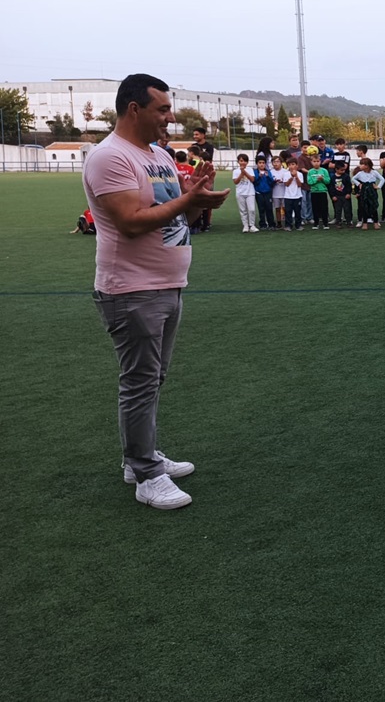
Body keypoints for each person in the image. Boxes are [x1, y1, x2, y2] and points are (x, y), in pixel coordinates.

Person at [83, 73, 229, 509]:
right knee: (140, 382)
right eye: (162, 109)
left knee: (152, 379)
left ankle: (140, 457)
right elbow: (131, 222)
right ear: (135, 109)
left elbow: (173, 211)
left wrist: (195, 196)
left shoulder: (159, 155)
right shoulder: (110, 157)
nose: (170, 117)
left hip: (166, 283)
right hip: (132, 289)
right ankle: (145, 474)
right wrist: (188, 201)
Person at [353, 157, 384, 229]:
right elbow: (353, 179)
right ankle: (365, 223)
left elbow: (382, 179)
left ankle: (375, 222)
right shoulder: (360, 173)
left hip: (372, 190)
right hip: (364, 190)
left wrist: (378, 186)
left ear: (367, 165)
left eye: (362, 164)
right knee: (364, 206)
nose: (360, 166)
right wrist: (359, 184)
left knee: (373, 206)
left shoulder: (374, 172)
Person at [231, 153, 258, 233]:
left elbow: (252, 179)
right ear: (238, 162)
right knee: (243, 210)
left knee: (252, 209)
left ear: (247, 162)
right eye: (241, 161)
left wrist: (244, 172)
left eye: (245, 161)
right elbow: (235, 182)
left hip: (250, 192)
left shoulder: (250, 170)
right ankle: (245, 225)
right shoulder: (235, 171)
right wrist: (241, 174)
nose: (243, 162)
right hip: (240, 193)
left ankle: (252, 225)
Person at [306, 155, 331, 228]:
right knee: (315, 208)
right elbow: (309, 182)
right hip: (314, 192)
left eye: (318, 161)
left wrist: (323, 179)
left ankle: (325, 223)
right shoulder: (310, 172)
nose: (316, 163)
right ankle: (316, 223)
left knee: (324, 208)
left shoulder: (324, 171)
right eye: (314, 161)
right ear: (311, 162)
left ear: (320, 162)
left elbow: (328, 181)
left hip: (322, 192)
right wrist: (316, 179)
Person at [252, 156, 277, 230]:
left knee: (269, 208)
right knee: (261, 209)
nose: (261, 164)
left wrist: (268, 177)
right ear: (257, 164)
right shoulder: (255, 172)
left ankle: (271, 224)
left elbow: (271, 183)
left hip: (268, 192)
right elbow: (254, 183)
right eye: (260, 163)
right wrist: (259, 177)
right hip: (259, 193)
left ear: (265, 164)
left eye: (263, 163)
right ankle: (263, 224)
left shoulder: (268, 172)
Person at [281, 159, 304, 230]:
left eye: (293, 164)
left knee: (298, 211)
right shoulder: (286, 174)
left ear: (297, 166)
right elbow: (286, 184)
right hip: (288, 196)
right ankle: (288, 225)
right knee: (288, 211)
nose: (291, 166)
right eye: (289, 165)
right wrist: (292, 177)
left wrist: (296, 176)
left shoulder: (300, 174)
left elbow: (300, 185)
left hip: (297, 196)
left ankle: (298, 225)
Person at [329, 161, 353, 227]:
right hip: (337, 196)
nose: (343, 171)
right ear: (336, 169)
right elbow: (331, 188)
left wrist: (348, 193)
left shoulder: (346, 176)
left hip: (345, 196)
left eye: (344, 170)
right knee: (338, 210)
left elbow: (349, 186)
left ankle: (349, 222)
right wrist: (333, 196)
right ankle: (338, 222)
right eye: (341, 170)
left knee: (347, 209)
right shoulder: (333, 178)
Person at [271, 154, 288, 228]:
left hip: (284, 193)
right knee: (277, 208)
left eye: (278, 162)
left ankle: (287, 222)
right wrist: (274, 182)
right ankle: (279, 223)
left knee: (285, 208)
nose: (276, 163)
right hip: (275, 193)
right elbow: (269, 182)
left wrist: (283, 181)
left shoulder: (285, 171)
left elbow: (287, 181)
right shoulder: (270, 172)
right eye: (274, 162)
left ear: (281, 163)